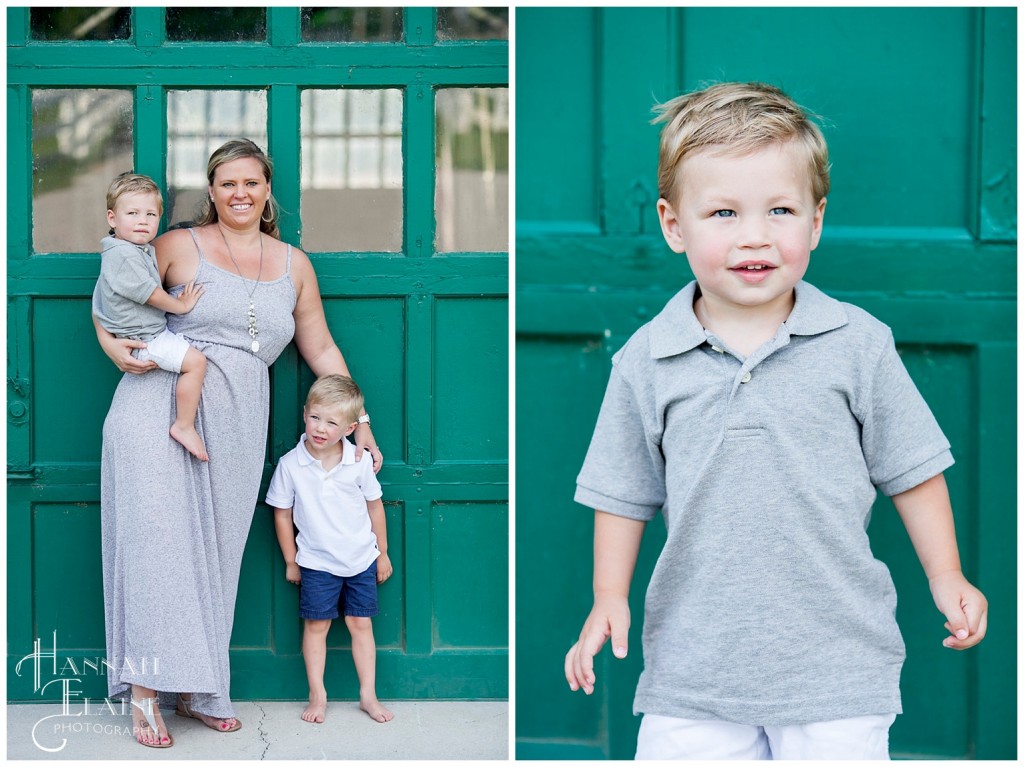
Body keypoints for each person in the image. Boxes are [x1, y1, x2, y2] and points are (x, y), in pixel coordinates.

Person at [563, 82, 988, 760]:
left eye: (780, 210)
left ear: (816, 221)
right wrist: (607, 594)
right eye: (724, 212)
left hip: (838, 670)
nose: (754, 235)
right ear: (674, 225)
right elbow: (622, 492)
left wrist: (947, 574)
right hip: (693, 672)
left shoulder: (859, 344)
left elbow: (913, 469)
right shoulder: (646, 360)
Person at [95, 139, 383, 749]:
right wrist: (107, 342)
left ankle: (199, 691)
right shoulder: (177, 244)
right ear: (212, 189)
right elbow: (113, 289)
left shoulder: (293, 264)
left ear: (267, 188)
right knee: (154, 546)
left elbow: (321, 349)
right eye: (227, 183)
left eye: (251, 182)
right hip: (158, 406)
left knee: (216, 560)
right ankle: (146, 694)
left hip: (238, 421)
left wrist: (360, 421)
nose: (240, 193)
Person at [267, 374, 394, 725]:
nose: (320, 428)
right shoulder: (291, 465)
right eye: (315, 417)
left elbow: (375, 507)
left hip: (359, 559)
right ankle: (317, 694)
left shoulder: (358, 462)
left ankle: (368, 694)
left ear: (351, 427)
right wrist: (291, 561)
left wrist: (382, 553)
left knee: (360, 623)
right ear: (305, 413)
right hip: (317, 563)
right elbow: (282, 514)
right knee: (317, 625)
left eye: (332, 422)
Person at [93, 172, 209, 462]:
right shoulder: (124, 255)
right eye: (132, 213)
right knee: (196, 363)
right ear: (112, 218)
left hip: (147, 334)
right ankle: (184, 425)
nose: (142, 221)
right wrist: (180, 306)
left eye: (150, 214)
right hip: (146, 341)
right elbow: (149, 293)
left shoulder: (130, 250)